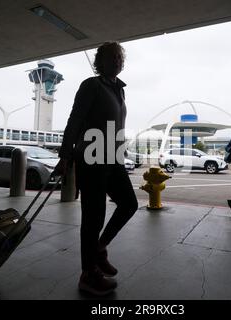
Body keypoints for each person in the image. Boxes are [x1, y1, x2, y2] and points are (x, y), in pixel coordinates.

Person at [54, 42, 138, 296]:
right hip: (91, 158)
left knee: (129, 204)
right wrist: (65, 155)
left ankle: (99, 249)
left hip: (113, 158)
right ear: (99, 61)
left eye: (119, 57)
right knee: (94, 216)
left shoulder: (118, 89)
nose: (116, 61)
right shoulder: (92, 85)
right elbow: (75, 120)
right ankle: (88, 274)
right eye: (111, 57)